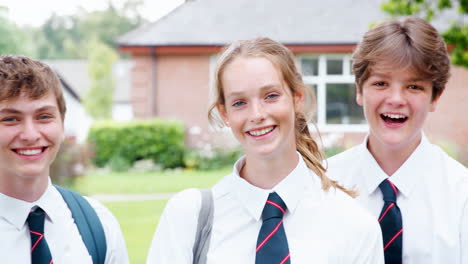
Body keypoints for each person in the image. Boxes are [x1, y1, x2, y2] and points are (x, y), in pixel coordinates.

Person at [147, 37, 384, 263]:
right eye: (239, 103)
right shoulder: (189, 218)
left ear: (297, 98)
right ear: (225, 113)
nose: (257, 114)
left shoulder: (354, 225)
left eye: (271, 96)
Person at [326, 17, 468, 264]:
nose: (395, 99)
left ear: (435, 97)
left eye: (413, 87)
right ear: (359, 91)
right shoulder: (323, 185)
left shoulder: (461, 195)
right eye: (381, 83)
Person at [0, 55, 129, 263]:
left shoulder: (98, 223)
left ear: (62, 124)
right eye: (10, 119)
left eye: (44, 116)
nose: (30, 135)